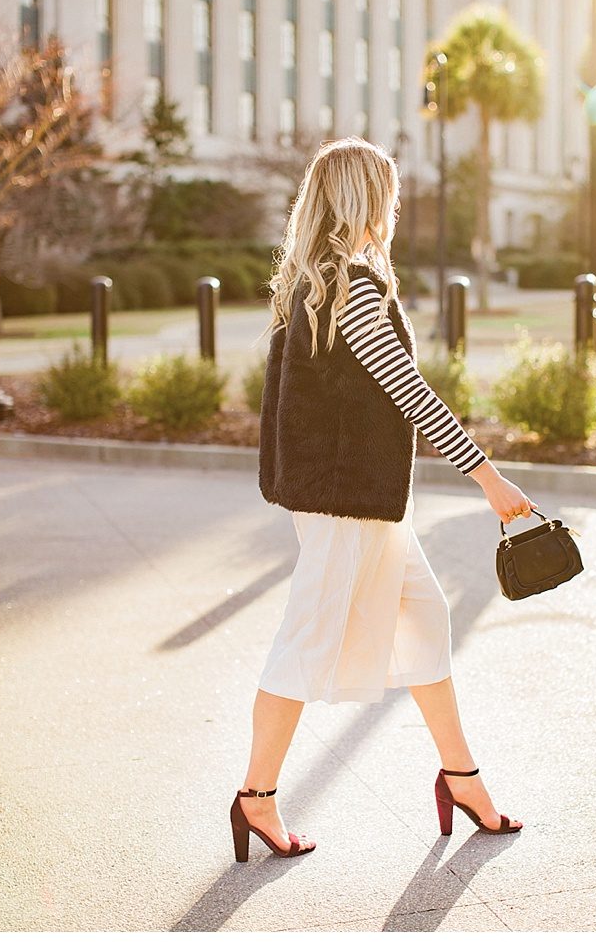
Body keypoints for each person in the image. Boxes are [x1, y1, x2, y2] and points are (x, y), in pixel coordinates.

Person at [230, 136, 537, 861]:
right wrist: (489, 477)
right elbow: (410, 393)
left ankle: (462, 778)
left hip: (353, 499)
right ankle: (256, 796)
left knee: (425, 618)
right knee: (304, 641)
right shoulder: (349, 286)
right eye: (388, 194)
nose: (395, 208)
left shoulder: (313, 280)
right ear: (365, 199)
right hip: (345, 499)